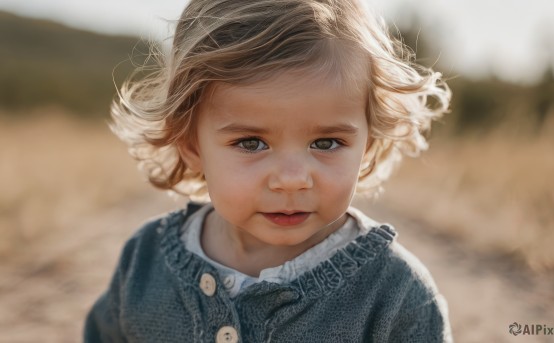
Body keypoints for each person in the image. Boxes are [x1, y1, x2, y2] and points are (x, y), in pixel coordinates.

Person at [84, 0, 452, 341]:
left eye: (326, 143)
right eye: (251, 143)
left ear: (367, 143)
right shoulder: (145, 262)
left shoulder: (396, 295)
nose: (291, 179)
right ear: (191, 145)